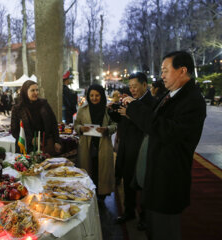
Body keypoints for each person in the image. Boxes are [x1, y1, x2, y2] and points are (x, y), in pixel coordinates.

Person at [121, 51, 206, 240]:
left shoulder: (192, 101)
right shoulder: (170, 95)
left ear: (182, 71)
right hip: (156, 178)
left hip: (168, 181)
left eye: (165, 70)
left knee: (165, 232)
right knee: (154, 229)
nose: (162, 76)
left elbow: (167, 131)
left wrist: (134, 109)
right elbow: (153, 119)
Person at [111, 73, 156, 230]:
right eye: (130, 87)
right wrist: (114, 112)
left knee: (143, 184)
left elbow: (149, 124)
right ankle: (128, 211)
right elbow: (123, 121)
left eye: (135, 86)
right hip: (126, 146)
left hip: (142, 149)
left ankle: (144, 217)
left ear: (145, 85)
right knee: (127, 180)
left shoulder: (152, 102)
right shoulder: (129, 100)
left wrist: (130, 114)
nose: (132, 90)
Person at [74, 84, 117, 201]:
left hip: (103, 144)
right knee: (88, 169)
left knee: (101, 172)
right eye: (92, 95)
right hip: (87, 145)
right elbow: (76, 124)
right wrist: (81, 129)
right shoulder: (82, 110)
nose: (94, 98)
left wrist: (107, 129)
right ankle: (88, 196)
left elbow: (115, 124)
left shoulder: (107, 110)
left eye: (97, 95)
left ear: (101, 96)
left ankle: (101, 197)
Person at [10, 80, 61, 155]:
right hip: (26, 148)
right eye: (32, 90)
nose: (36, 93)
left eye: (37, 90)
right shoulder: (17, 108)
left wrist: (57, 141)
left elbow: (53, 123)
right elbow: (14, 131)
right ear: (25, 92)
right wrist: (31, 140)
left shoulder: (43, 104)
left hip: (44, 146)